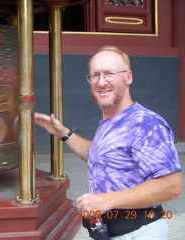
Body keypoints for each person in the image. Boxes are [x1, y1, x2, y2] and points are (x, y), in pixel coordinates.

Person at [35, 45, 182, 239]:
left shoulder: (144, 123)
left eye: (109, 73)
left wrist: (105, 201)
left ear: (128, 77)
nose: (101, 82)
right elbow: (100, 155)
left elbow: (171, 187)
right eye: (95, 75)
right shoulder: (111, 121)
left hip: (138, 232)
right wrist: (63, 132)